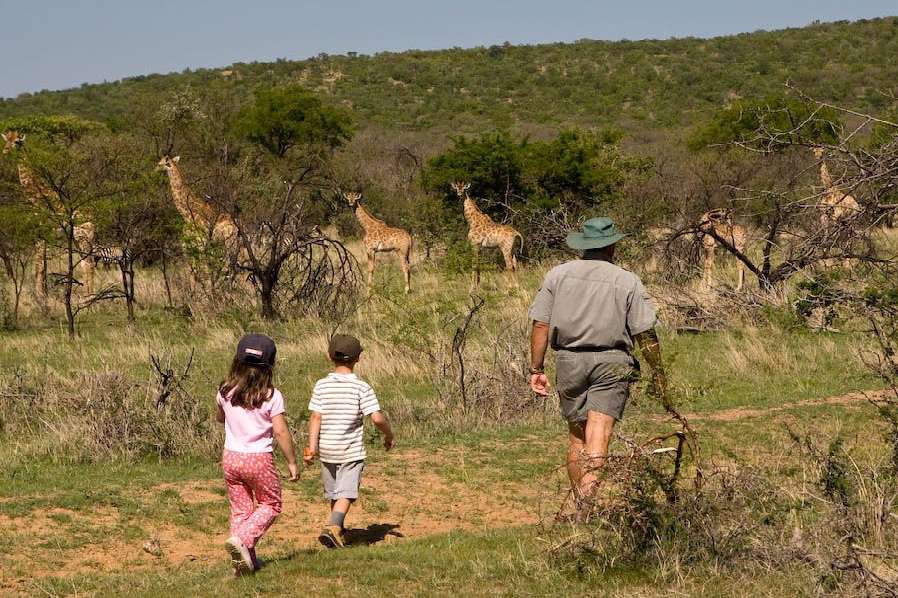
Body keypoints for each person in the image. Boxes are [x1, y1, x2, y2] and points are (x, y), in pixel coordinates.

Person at [528, 217, 668, 506]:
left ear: (584, 245)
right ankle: (587, 508)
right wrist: (658, 370)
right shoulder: (626, 280)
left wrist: (536, 368)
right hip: (611, 362)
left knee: (577, 439)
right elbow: (644, 332)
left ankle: (580, 504)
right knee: (599, 434)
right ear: (612, 245)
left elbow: (540, 324)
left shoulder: (557, 275)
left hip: (569, 361)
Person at [216, 333, 299, 575]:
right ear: (270, 365)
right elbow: (280, 431)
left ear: (237, 360)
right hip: (259, 459)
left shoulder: (225, 391)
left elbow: (220, 418)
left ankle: (245, 563)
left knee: (241, 510)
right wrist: (292, 462)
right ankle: (242, 540)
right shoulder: (271, 396)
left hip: (231, 458)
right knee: (271, 504)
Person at [305, 334, 395, 549]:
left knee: (335, 493)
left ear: (329, 356)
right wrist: (389, 435)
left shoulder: (321, 385)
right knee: (347, 493)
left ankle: (338, 531)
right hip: (350, 450)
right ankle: (332, 527)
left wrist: (312, 448)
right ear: (358, 358)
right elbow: (377, 418)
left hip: (327, 449)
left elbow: (316, 416)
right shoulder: (361, 387)